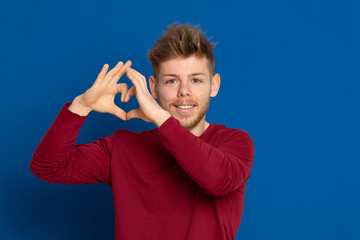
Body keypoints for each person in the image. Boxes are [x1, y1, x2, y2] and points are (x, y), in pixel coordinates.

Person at [31, 23, 255, 240]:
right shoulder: (122, 148)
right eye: (171, 81)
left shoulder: (235, 142)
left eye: (196, 80)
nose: (184, 91)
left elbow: (217, 179)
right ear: (153, 87)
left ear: (214, 85)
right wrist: (81, 105)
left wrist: (159, 116)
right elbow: (48, 167)